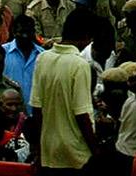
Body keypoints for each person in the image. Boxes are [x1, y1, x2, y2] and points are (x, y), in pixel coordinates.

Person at [30, 9, 97, 176]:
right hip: (76, 154)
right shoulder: (80, 65)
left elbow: (36, 109)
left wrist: (39, 149)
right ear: (87, 36)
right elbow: (81, 114)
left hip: (49, 152)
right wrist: (96, 150)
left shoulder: (42, 58)